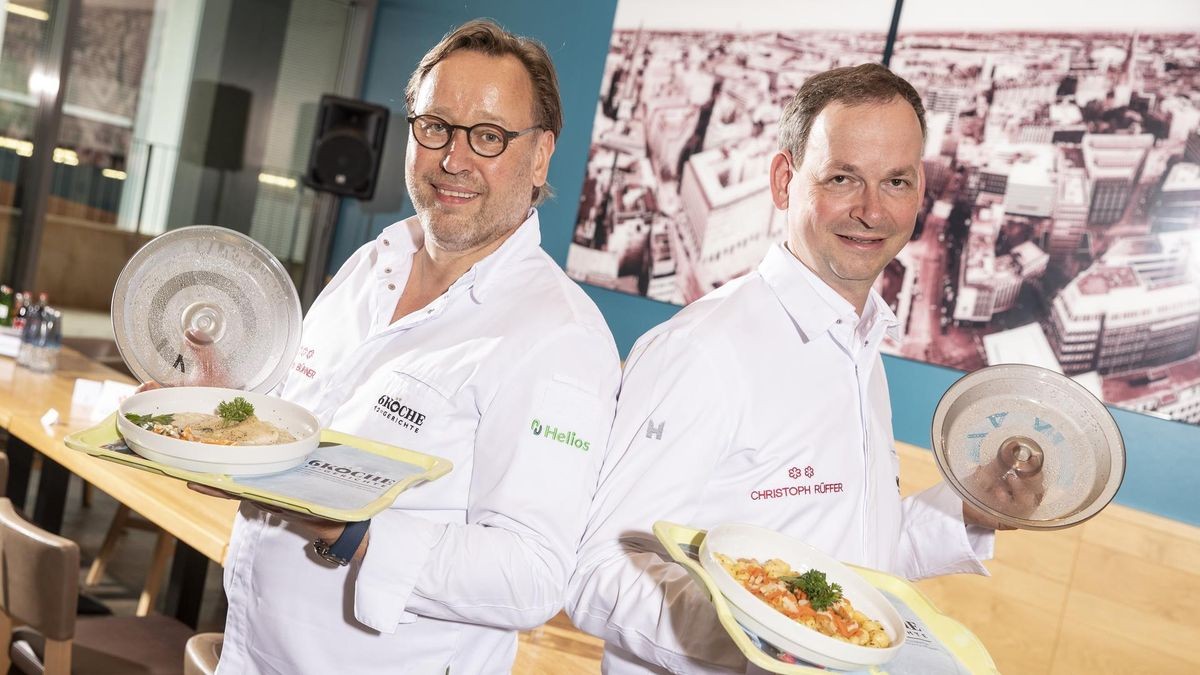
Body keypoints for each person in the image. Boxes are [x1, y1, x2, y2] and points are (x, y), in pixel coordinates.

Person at [213, 19, 621, 674]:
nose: (453, 160)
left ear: (541, 153)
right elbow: (297, 428)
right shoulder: (369, 263)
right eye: (434, 126)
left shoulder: (559, 337)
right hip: (253, 653)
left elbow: (533, 574)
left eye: (488, 136)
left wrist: (349, 528)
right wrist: (219, 413)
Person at [566, 64, 999, 674]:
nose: (872, 211)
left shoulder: (861, 343)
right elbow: (599, 573)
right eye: (843, 178)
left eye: (895, 181)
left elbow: (852, 556)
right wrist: (770, 655)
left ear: (920, 190)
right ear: (783, 180)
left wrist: (973, 508)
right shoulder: (703, 351)